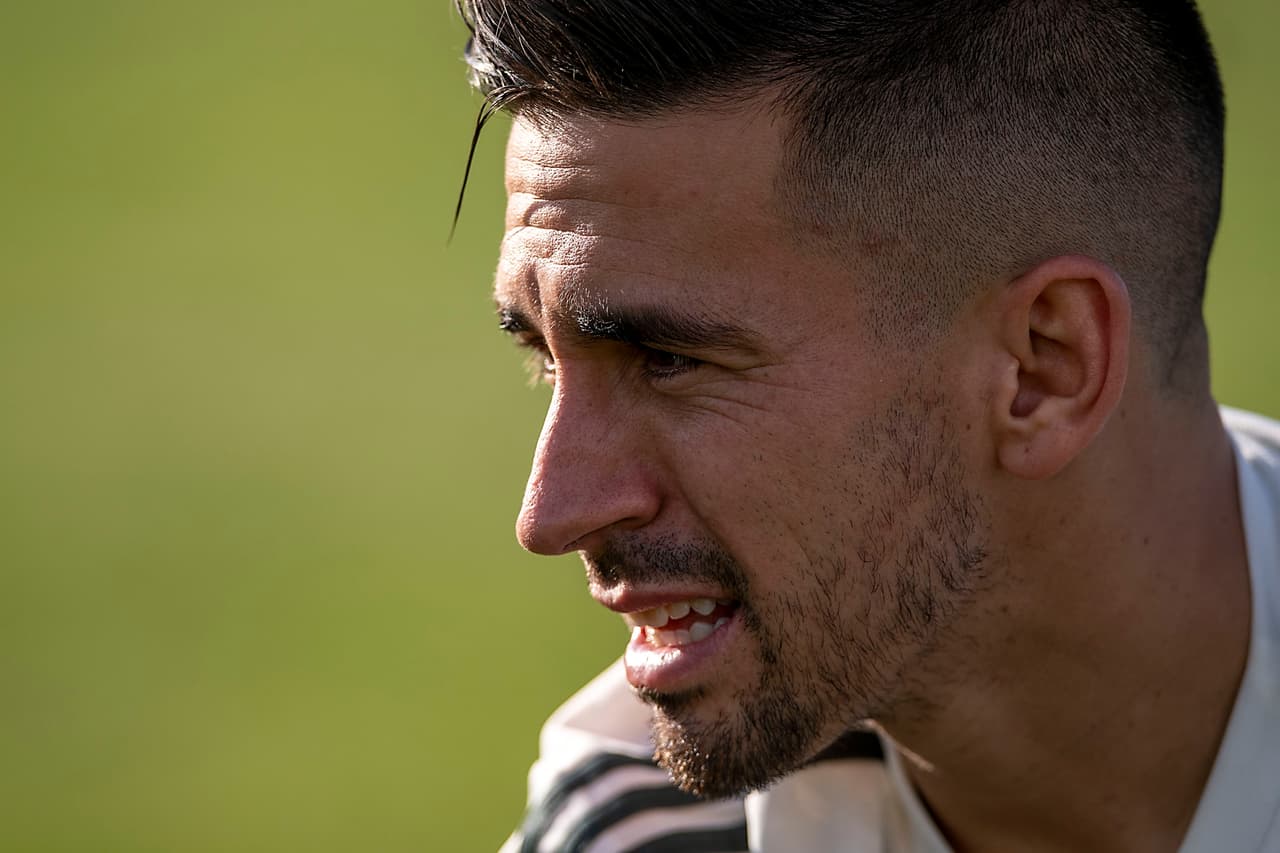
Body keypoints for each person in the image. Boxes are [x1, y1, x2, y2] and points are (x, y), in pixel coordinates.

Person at [457, 1, 1280, 850]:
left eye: (670, 359)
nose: (551, 513)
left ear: (1043, 368)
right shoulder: (639, 831)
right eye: (546, 359)